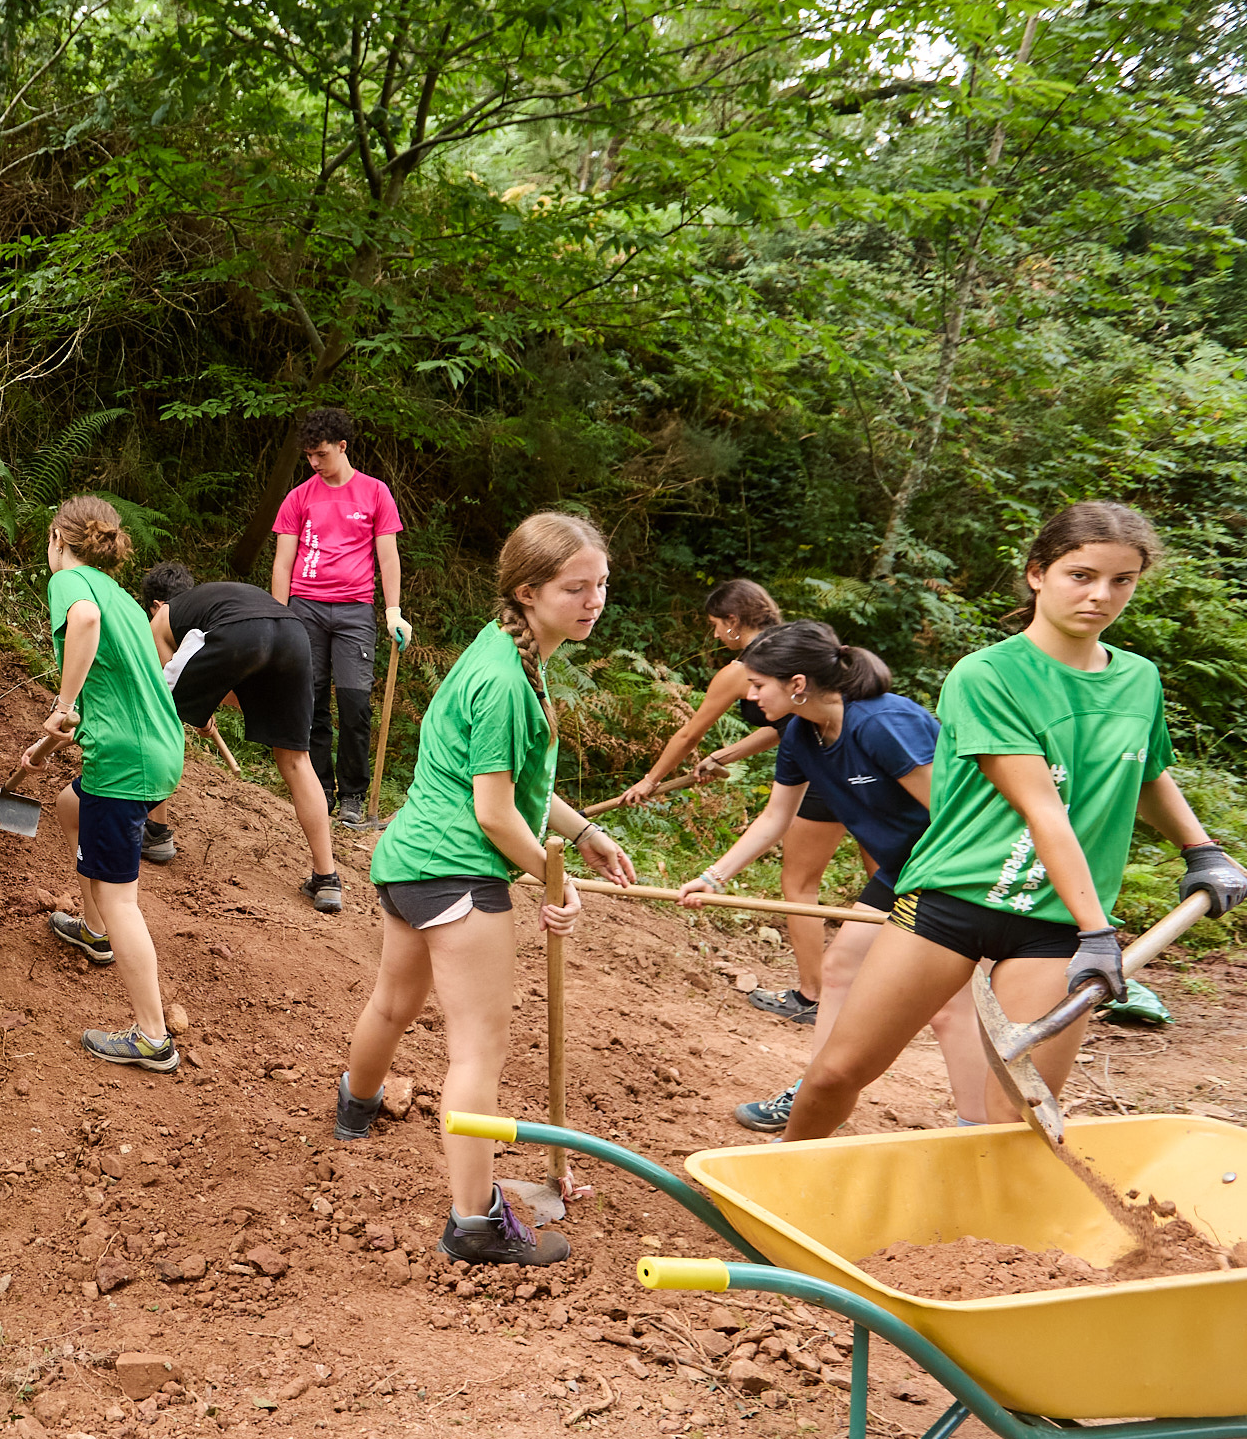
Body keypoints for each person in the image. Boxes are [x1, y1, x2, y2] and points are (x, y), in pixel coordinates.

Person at [776, 503, 1247, 1140]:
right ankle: (777, 1179)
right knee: (838, 1072)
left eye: (1122, 580)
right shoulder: (988, 675)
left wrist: (1202, 850)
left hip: (1055, 924)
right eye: (1081, 576)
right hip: (956, 896)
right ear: (1037, 574)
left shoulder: (1139, 680)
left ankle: (980, 1211)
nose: (1101, 595)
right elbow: (1041, 806)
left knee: (1017, 1117)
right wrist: (1099, 931)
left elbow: (1144, 772)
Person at [333, 511, 639, 1267]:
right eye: (576, 588)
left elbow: (508, 782)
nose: (594, 600)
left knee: (393, 1005)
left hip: (411, 860)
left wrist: (584, 833)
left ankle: (355, 1107)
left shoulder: (502, 646)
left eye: (601, 584)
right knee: (477, 1051)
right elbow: (495, 813)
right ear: (529, 591)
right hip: (459, 873)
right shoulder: (506, 680)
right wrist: (551, 879)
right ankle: (474, 1224)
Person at [671, 621, 1002, 1131]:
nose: (751, 696)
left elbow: (958, 814)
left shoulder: (882, 722)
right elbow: (775, 818)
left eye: (758, 685)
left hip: (958, 866)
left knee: (950, 1004)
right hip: (905, 868)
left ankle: (979, 1131)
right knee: (842, 969)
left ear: (797, 684)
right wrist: (714, 878)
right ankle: (814, 1093)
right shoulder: (800, 735)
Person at [609, 577, 846, 1024]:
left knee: (800, 886)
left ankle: (812, 995)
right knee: (893, 880)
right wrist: (727, 755)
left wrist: (650, 780)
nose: (716, 634)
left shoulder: (744, 669)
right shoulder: (794, 650)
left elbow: (689, 733)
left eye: (716, 625)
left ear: (734, 620)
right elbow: (786, 726)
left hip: (821, 772)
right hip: (835, 761)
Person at [30, 499, 188, 1070]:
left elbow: (84, 624)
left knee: (123, 898)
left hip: (126, 764)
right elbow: (115, 696)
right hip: (155, 749)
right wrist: (45, 746)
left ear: (58, 538)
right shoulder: (119, 595)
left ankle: (152, 1036)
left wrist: (62, 703)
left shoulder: (72, 583)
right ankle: (93, 932)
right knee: (70, 805)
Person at [135, 562, 341, 908]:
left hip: (241, 633)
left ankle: (155, 833)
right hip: (292, 634)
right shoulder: (216, 600)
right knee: (296, 760)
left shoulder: (161, 619)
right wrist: (203, 709)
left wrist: (199, 709)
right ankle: (327, 878)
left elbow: (165, 695)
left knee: (157, 720)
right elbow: (229, 689)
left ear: (156, 605)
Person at [270, 407, 411, 829]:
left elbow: (389, 557)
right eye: (309, 455)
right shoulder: (299, 497)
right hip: (305, 608)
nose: (314, 462)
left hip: (355, 611)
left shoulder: (375, 492)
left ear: (342, 446)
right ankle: (318, 791)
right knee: (309, 702)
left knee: (355, 705)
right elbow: (282, 562)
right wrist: (279, 617)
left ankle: (352, 795)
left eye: (322, 454)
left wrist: (393, 611)